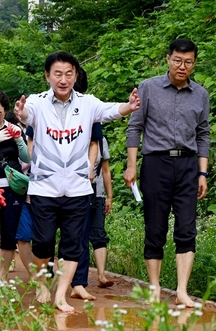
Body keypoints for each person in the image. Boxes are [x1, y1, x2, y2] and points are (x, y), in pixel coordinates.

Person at [13, 51, 140, 312]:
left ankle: (61, 295)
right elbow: (27, 116)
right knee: (44, 244)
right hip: (44, 188)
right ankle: (41, 283)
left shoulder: (88, 102)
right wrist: (21, 113)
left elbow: (110, 111)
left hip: (78, 188)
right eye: (57, 74)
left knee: (73, 245)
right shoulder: (37, 102)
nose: (64, 79)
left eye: (69, 73)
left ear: (76, 75)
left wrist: (129, 106)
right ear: (48, 75)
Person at [124, 38, 210, 307]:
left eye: (188, 62)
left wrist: (202, 173)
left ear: (194, 63)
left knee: (186, 228)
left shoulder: (201, 94)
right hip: (155, 164)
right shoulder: (148, 88)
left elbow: (204, 134)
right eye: (177, 60)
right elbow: (134, 127)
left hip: (187, 166)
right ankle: (154, 287)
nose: (182, 66)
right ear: (168, 59)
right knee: (155, 227)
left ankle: (182, 291)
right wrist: (131, 165)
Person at [69, 66, 112, 301]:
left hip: (88, 188)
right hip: (56, 186)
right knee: (64, 235)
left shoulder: (91, 115)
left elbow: (100, 156)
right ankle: (54, 278)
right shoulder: (45, 109)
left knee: (88, 233)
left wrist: (88, 170)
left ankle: (80, 281)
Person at [0, 89, 30, 286]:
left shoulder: (13, 128)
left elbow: (27, 158)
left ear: (4, 110)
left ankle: (3, 276)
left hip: (13, 189)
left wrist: (18, 139)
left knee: (9, 233)